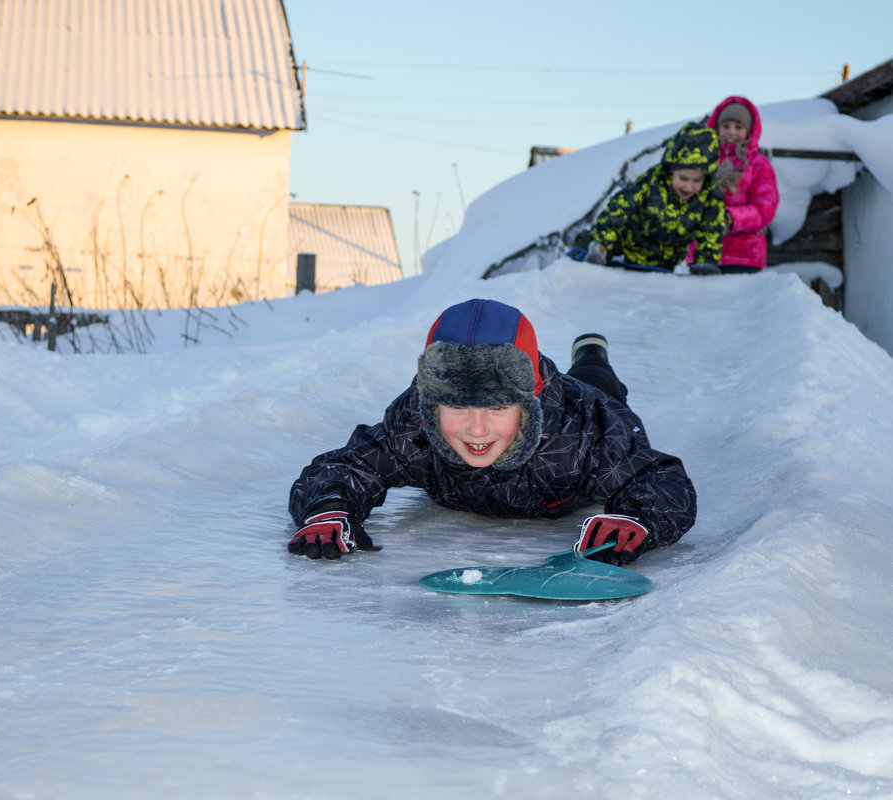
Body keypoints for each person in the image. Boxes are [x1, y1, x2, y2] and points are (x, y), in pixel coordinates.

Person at [288, 298, 696, 566]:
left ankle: (592, 353)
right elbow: (348, 467)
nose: (476, 429)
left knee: (598, 381)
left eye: (498, 406)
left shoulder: (587, 430)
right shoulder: (415, 426)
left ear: (529, 401)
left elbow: (658, 476)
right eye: (457, 407)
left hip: (590, 398)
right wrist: (327, 507)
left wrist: (636, 516)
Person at [577, 122, 726, 275]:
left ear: (706, 179)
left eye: (696, 181)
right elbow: (621, 205)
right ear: (671, 171)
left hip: (664, 258)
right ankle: (588, 247)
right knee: (595, 240)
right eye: (683, 178)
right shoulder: (654, 181)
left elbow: (712, 229)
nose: (688, 186)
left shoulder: (710, 198)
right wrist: (602, 243)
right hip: (628, 242)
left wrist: (706, 260)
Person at [693, 96, 779, 273]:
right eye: (726, 126)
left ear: (748, 131)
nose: (731, 132)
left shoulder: (758, 165)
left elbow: (765, 208)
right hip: (702, 255)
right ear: (717, 129)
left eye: (738, 127)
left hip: (743, 257)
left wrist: (731, 218)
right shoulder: (704, 161)